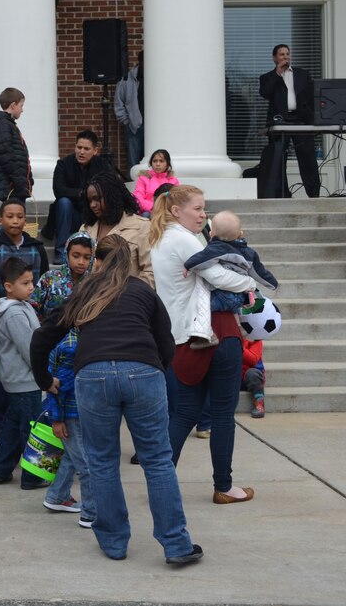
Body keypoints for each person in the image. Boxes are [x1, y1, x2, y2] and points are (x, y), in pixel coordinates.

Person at [30, 234, 203, 566]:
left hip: (93, 376)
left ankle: (113, 542)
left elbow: (42, 337)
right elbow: (166, 341)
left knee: (103, 461)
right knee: (157, 461)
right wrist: (154, 369)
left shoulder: (84, 291)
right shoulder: (143, 291)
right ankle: (176, 544)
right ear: (133, 263)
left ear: (97, 261)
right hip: (143, 373)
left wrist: (43, 379)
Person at [148, 185, 257, 505]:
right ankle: (224, 486)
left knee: (184, 414)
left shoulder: (161, 239)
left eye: (204, 208)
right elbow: (220, 277)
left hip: (182, 341)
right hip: (215, 335)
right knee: (222, 415)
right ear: (176, 210)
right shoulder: (184, 239)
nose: (203, 215)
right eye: (197, 208)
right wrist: (252, 282)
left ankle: (160, 481)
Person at [0, 199, 48, 439]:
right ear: (0, 220)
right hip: (2, 318)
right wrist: (8, 298)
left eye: (20, 216)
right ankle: (0, 424)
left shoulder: (37, 247)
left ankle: (18, 424)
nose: (15, 221)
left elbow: (42, 281)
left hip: (31, 316)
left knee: (27, 372)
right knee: (0, 370)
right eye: (10, 217)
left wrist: (31, 301)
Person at [0, 258, 45, 489]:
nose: (31, 287)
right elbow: (30, 349)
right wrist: (45, 376)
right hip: (26, 381)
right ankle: (32, 477)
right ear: (8, 286)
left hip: (17, 381)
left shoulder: (20, 307)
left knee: (11, 428)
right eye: (25, 283)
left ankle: (1, 470)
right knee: (32, 430)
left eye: (32, 282)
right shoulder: (15, 314)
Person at [183, 211, 277, 348]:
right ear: (241, 234)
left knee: (200, 304)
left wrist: (188, 265)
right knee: (232, 306)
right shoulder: (250, 253)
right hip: (239, 296)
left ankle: (208, 334)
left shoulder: (216, 248)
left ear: (211, 234)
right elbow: (259, 271)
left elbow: (202, 258)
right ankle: (240, 327)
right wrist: (272, 283)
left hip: (221, 294)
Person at [40, 325, 95, 528]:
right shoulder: (73, 346)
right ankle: (91, 513)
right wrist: (57, 419)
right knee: (87, 465)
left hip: (74, 413)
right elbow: (57, 387)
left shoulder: (72, 340)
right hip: (71, 414)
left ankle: (56, 496)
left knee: (72, 457)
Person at [258, 44, 320, 198]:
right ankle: (281, 194)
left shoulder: (302, 74)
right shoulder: (267, 77)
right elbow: (265, 93)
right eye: (281, 55)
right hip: (280, 121)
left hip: (300, 120)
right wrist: (278, 74)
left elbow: (311, 96)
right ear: (274, 58)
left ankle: (314, 195)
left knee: (307, 158)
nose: (285, 57)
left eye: (287, 54)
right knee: (278, 159)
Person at [80, 171, 154, 286]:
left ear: (112, 196)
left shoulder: (142, 227)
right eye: (89, 200)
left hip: (126, 299)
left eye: (97, 198)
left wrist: (125, 294)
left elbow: (150, 272)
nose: (92, 205)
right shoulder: (85, 229)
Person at [48, 129, 108, 264]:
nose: (81, 152)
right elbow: (58, 190)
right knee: (63, 202)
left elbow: (108, 188)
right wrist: (82, 193)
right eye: (79, 147)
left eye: (86, 149)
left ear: (95, 150)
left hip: (92, 213)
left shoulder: (102, 165)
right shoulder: (63, 164)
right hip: (69, 214)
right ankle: (60, 252)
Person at [31, 231, 96, 317]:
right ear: (66, 254)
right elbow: (32, 307)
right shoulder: (49, 278)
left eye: (87, 258)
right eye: (76, 256)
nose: (81, 262)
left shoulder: (93, 284)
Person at [0, 87, 32, 201]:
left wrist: (28, 180)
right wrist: (19, 182)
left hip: (14, 186)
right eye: (21, 106)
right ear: (13, 105)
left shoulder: (7, 124)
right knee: (14, 217)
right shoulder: (2, 125)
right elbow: (6, 156)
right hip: (11, 187)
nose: (22, 110)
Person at [114, 50, 144, 173]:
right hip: (134, 127)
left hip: (156, 128)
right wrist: (127, 121)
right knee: (134, 164)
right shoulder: (127, 79)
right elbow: (119, 102)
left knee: (157, 161)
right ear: (140, 62)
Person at [133, 149, 179, 216]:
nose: (157, 164)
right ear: (151, 163)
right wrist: (154, 207)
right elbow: (137, 198)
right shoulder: (143, 178)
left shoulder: (173, 180)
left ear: (167, 164)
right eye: (155, 161)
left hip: (167, 213)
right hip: (148, 212)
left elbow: (177, 200)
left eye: (161, 161)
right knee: (146, 215)